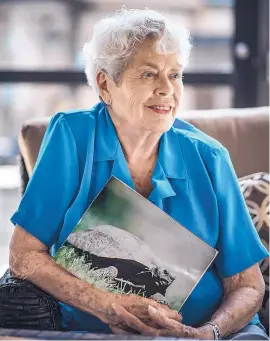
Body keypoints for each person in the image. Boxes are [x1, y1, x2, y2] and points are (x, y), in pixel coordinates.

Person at [9, 8, 269, 340]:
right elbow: (24, 254)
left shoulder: (209, 157)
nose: (167, 90)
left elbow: (247, 284)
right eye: (149, 74)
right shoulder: (72, 137)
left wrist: (208, 332)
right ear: (105, 83)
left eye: (175, 75)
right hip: (93, 329)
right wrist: (107, 305)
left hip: (210, 333)